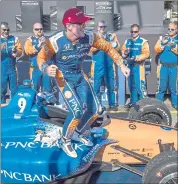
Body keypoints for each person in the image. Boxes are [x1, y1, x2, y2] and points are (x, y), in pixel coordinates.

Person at [37, 8, 130, 158]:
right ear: (69, 26)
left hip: (79, 75)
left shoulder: (90, 37)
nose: (84, 26)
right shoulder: (54, 41)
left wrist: (122, 64)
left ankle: (77, 133)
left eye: (84, 23)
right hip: (63, 78)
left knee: (96, 109)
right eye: (80, 23)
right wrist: (46, 69)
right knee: (77, 111)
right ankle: (65, 139)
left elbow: (108, 47)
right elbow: (40, 58)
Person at [90, 20, 120, 111]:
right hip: (97, 66)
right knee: (97, 86)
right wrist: (101, 43)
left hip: (109, 65)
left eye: (104, 27)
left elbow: (117, 47)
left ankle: (112, 104)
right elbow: (91, 49)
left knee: (111, 85)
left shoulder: (111, 36)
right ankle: (97, 105)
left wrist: (111, 43)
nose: (102, 28)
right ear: (97, 28)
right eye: (100, 27)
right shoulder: (93, 37)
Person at [122, 24, 150, 107]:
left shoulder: (143, 41)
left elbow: (146, 54)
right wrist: (125, 53)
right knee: (131, 85)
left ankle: (144, 103)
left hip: (139, 66)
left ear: (138, 32)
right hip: (129, 66)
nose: (133, 33)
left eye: (135, 31)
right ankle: (133, 102)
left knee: (140, 86)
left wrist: (136, 58)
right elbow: (123, 54)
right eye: (132, 31)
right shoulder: (127, 41)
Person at [155, 21, 178, 110]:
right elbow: (156, 49)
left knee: (174, 88)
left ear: (177, 30)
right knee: (161, 87)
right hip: (163, 66)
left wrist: (174, 46)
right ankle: (158, 103)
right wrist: (162, 44)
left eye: (172, 29)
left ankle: (175, 104)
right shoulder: (162, 37)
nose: (170, 31)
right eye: (169, 29)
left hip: (174, 67)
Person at [24, 23, 51, 93]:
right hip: (35, 68)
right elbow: (27, 51)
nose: (39, 31)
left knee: (47, 88)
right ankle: (35, 102)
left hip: (45, 68)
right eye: (37, 29)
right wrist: (38, 45)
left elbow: (50, 52)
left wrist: (45, 44)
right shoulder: (30, 40)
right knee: (35, 88)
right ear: (33, 30)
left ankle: (47, 103)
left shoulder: (47, 39)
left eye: (41, 29)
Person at [1, 22, 22, 104]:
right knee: (2, 88)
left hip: (12, 67)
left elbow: (20, 52)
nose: (6, 31)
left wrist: (16, 52)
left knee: (14, 88)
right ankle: (1, 105)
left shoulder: (14, 39)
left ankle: (13, 104)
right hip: (2, 68)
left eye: (8, 30)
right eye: (4, 30)